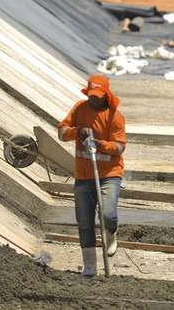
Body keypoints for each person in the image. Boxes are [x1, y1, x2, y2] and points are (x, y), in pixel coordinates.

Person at [57, 75, 126, 277]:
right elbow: (62, 132)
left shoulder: (114, 116)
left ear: (106, 94)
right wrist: (77, 132)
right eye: (91, 95)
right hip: (83, 175)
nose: (93, 99)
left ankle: (111, 233)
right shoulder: (80, 108)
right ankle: (90, 267)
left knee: (108, 215)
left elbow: (120, 146)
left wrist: (100, 144)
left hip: (110, 174)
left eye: (97, 96)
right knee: (85, 221)